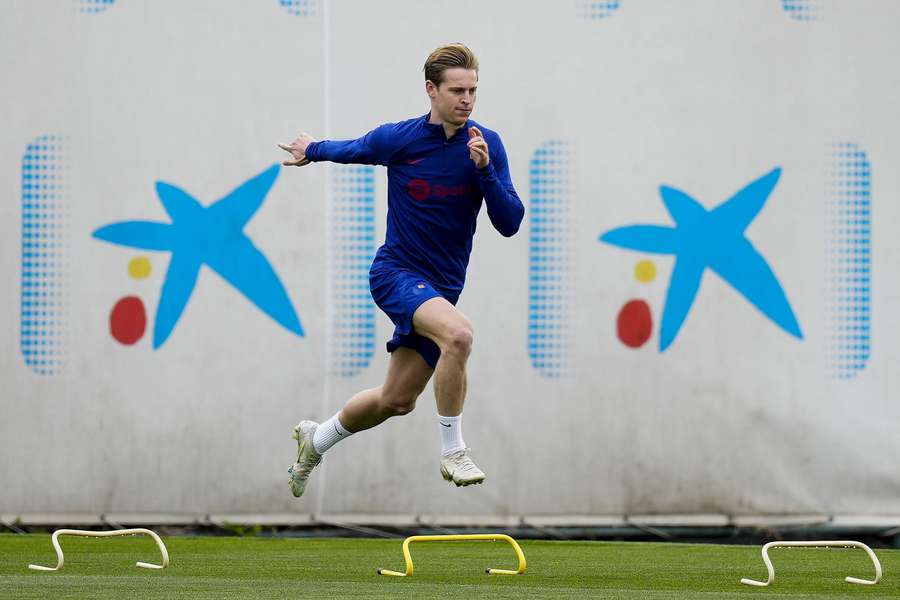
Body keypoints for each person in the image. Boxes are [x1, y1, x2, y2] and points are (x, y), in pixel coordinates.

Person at [278, 43, 523, 498]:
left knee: (396, 400)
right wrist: (310, 149)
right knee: (460, 336)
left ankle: (317, 438)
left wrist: (486, 171)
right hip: (396, 273)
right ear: (432, 90)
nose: (466, 99)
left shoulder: (485, 146)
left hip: (440, 290)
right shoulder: (402, 139)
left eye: (473, 90)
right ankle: (454, 449)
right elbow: (354, 148)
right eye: (456, 90)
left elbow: (510, 223)